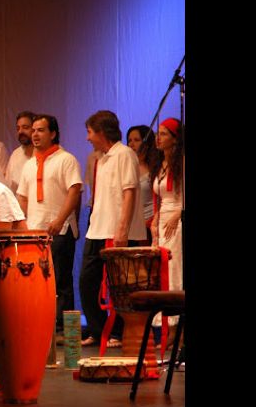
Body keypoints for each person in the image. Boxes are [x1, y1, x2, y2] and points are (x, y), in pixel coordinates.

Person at [78, 110, 146, 348]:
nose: (87, 138)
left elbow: (129, 192)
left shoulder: (124, 154)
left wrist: (122, 229)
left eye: (89, 132)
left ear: (101, 132)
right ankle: (98, 330)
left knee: (119, 285)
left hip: (115, 230)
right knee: (88, 282)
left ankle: (117, 331)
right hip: (97, 228)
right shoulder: (102, 158)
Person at [16, 114, 83, 333]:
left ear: (53, 133)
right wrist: (21, 224)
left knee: (61, 281)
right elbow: (23, 197)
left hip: (59, 228)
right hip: (35, 230)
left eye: (40, 130)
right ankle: (45, 325)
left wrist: (60, 219)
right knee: (38, 279)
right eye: (33, 130)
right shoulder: (29, 164)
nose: (35, 134)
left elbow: (74, 191)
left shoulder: (66, 159)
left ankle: (66, 331)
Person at [151, 118, 184, 344]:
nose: (158, 138)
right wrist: (155, 220)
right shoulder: (160, 164)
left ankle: (176, 330)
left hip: (177, 220)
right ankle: (165, 327)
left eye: (163, 134)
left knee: (173, 271)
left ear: (175, 139)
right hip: (162, 220)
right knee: (160, 271)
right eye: (158, 133)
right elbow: (160, 198)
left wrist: (178, 213)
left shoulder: (181, 162)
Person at [126, 125, 162, 244]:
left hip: (149, 225)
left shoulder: (155, 167)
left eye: (136, 140)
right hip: (130, 225)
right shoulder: (126, 166)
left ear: (146, 143)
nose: (132, 144)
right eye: (129, 140)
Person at [5, 111, 37, 193]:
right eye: (18, 128)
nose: (20, 132)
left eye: (25, 127)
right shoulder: (15, 154)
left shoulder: (52, 153)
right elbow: (9, 188)